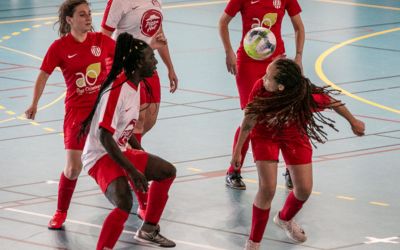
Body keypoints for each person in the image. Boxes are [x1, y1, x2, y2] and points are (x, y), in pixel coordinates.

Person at [230, 58, 365, 249]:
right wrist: (237, 153)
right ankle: (254, 242)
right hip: (265, 135)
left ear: (281, 88)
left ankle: (284, 218)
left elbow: (333, 102)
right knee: (267, 188)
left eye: (268, 76)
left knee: (304, 189)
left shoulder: (306, 96)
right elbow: (249, 121)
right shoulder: (260, 88)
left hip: (294, 136)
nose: (263, 78)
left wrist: (353, 121)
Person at [24, 0, 116, 230]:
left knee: (119, 158)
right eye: (82, 14)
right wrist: (35, 103)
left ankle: (135, 203)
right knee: (73, 168)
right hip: (77, 114)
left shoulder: (100, 41)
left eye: (89, 13)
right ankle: (60, 212)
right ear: (69, 20)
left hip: (103, 112)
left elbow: (127, 53)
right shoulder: (59, 47)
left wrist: (151, 45)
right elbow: (43, 75)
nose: (88, 18)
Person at [80, 33, 176, 249]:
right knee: (124, 202)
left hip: (118, 150)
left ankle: (149, 230)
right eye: (152, 57)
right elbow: (105, 136)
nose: (156, 62)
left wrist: (139, 151)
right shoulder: (118, 89)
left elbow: (124, 125)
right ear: (139, 63)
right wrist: (132, 170)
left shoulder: (136, 83)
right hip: (100, 156)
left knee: (167, 171)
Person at [100, 0, 178, 220]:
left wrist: (170, 67)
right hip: (127, 66)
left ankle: (128, 161)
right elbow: (104, 38)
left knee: (148, 119)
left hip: (148, 63)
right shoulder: (119, 2)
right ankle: (137, 186)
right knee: (135, 124)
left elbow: (159, 34)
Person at [219, 0, 305, 190]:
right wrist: (229, 52)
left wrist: (298, 56)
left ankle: (291, 168)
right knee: (252, 116)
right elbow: (223, 21)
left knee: (284, 115)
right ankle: (234, 170)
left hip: (277, 62)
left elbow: (299, 27)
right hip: (248, 64)